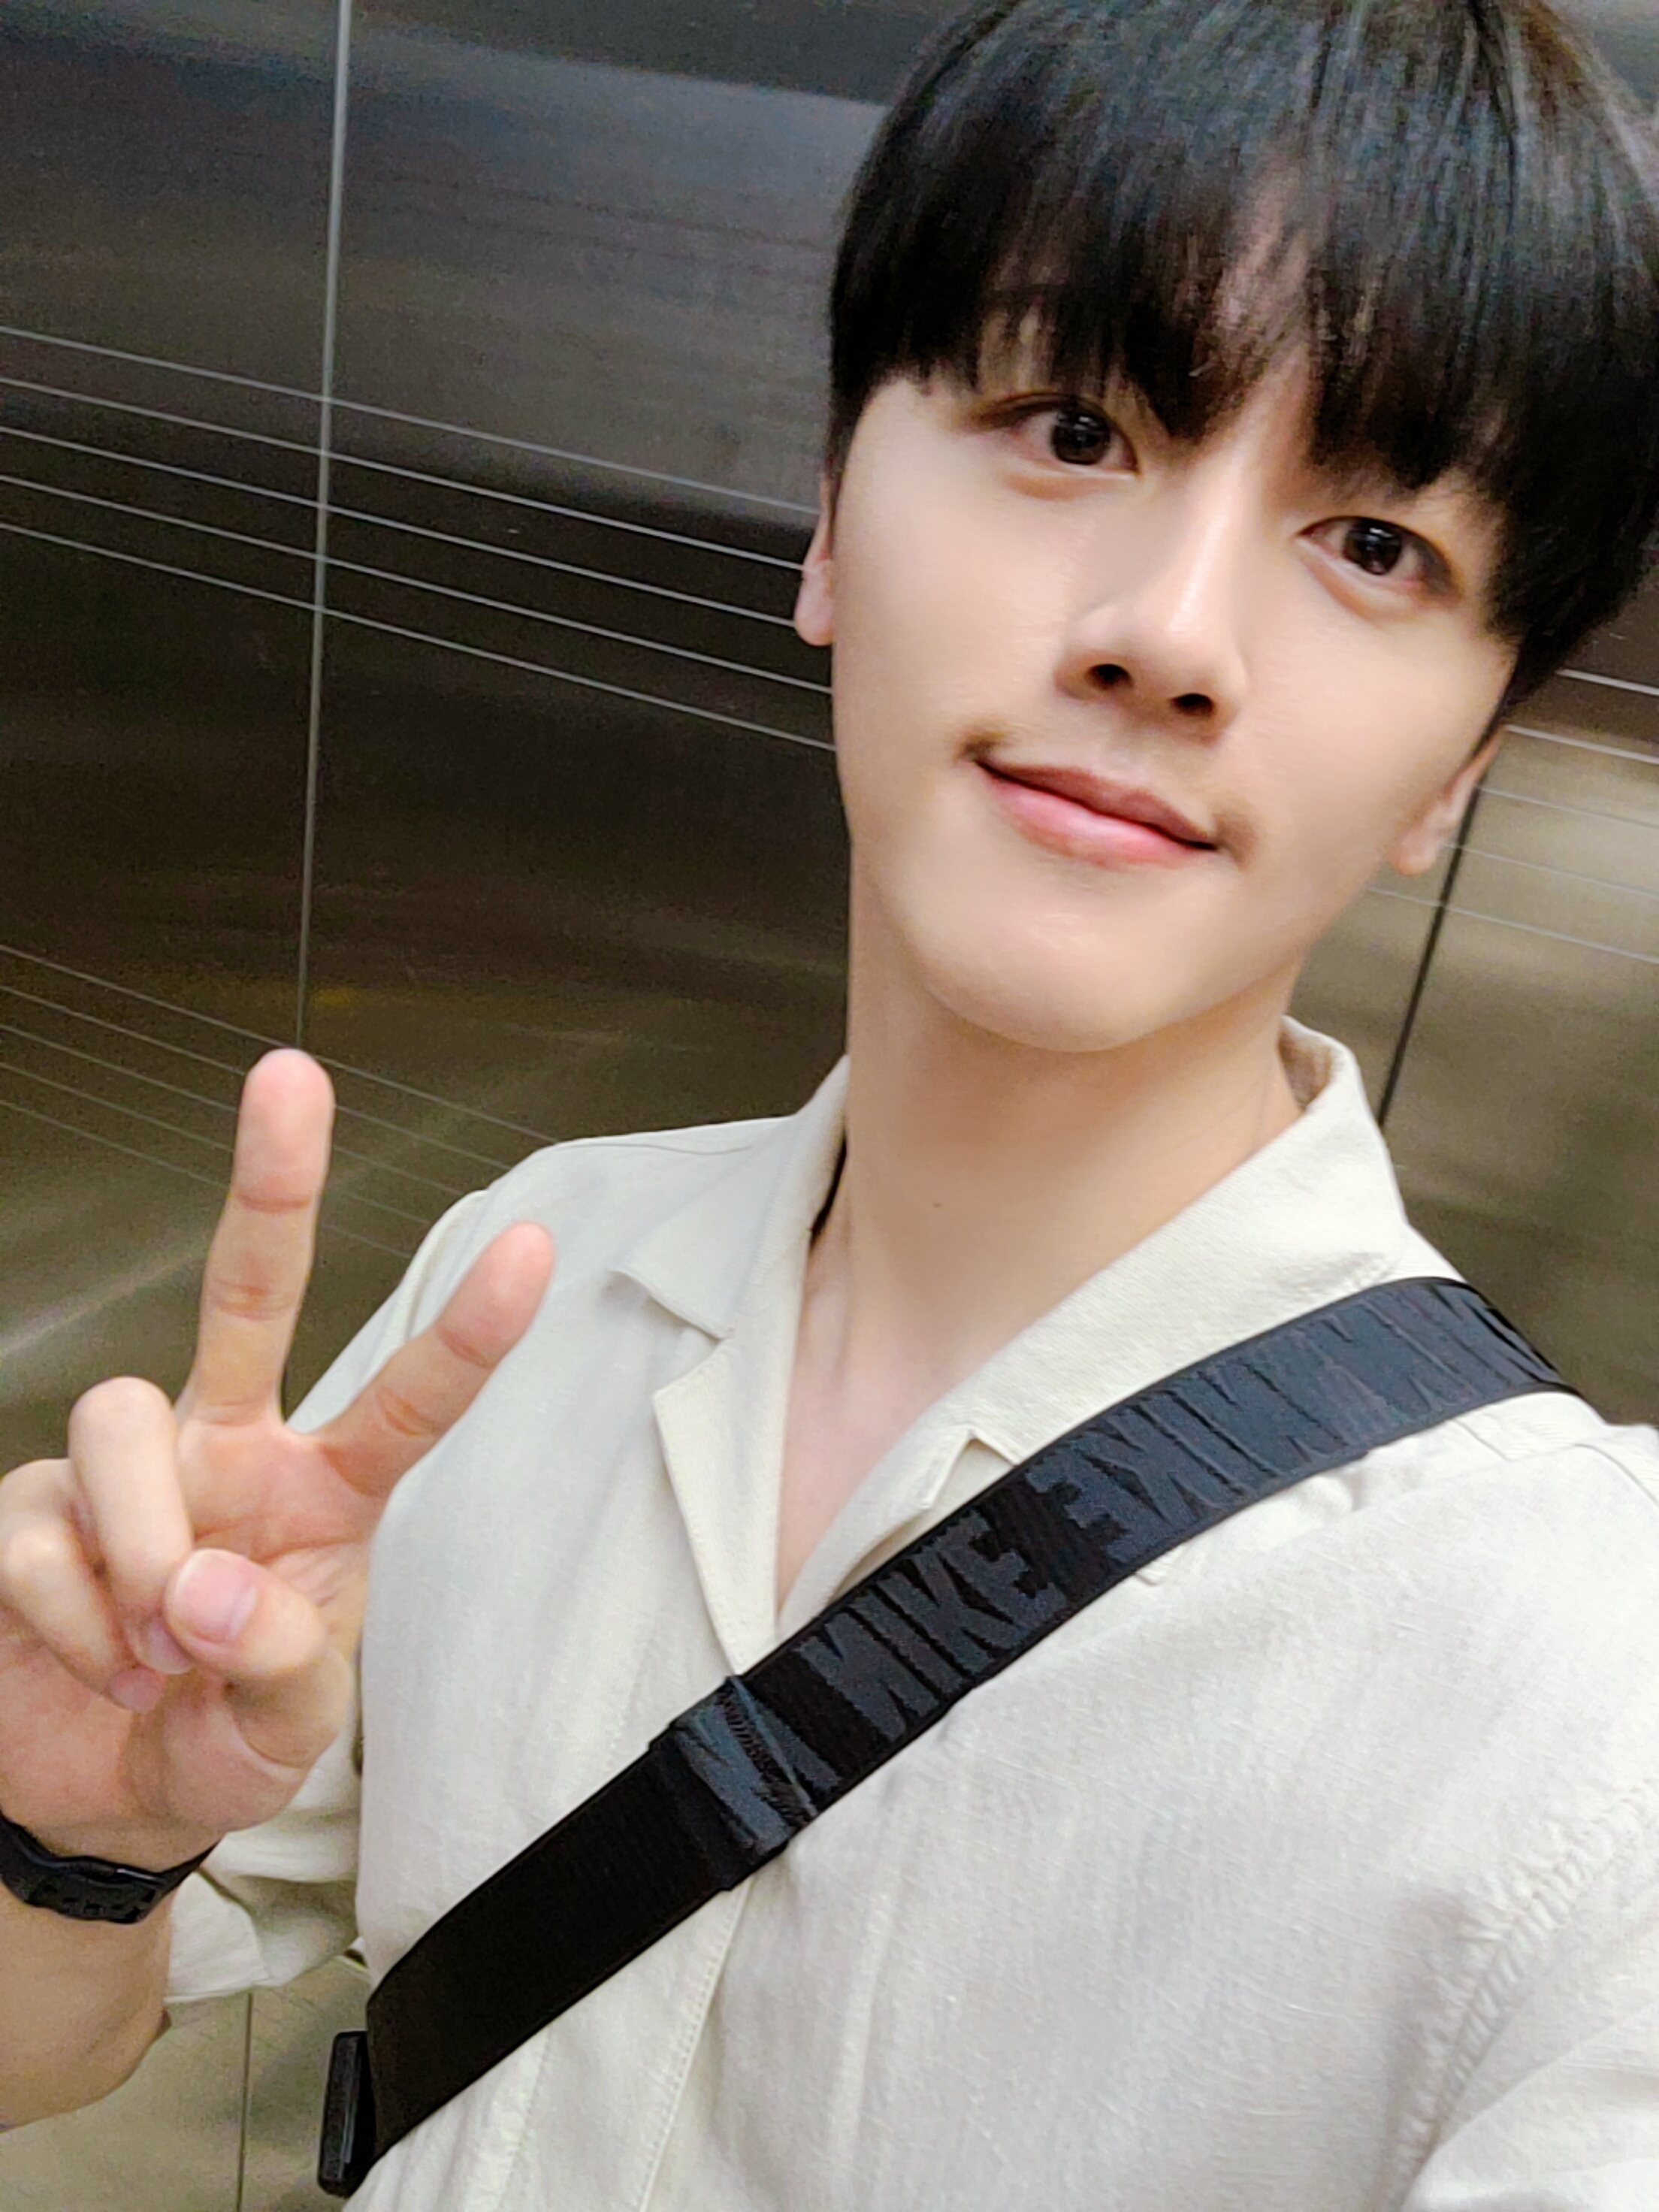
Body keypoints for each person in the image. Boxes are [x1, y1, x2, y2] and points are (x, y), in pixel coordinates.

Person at [4, 0, 1659, 2201]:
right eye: (1072, 425)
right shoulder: (537, 1273)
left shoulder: (1590, 1696)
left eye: (1375, 546)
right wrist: (69, 1837)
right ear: (825, 531)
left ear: (1461, 771)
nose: (1170, 634)